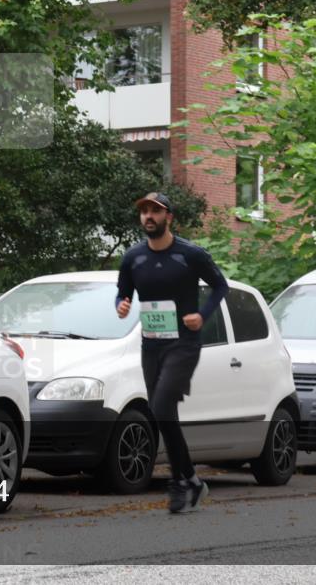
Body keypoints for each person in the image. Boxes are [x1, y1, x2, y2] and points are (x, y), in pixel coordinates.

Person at [115, 192, 229, 514]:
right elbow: (123, 293)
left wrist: (202, 316)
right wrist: (121, 305)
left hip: (184, 343)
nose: (148, 216)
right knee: (161, 412)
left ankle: (180, 482)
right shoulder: (132, 258)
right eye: (144, 212)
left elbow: (221, 286)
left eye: (155, 211)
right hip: (151, 344)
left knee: (162, 404)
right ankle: (190, 479)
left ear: (169, 218)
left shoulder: (190, 254)